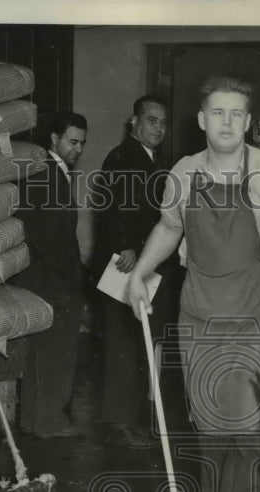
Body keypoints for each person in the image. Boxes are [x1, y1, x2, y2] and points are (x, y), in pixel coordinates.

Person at [125, 75, 260, 492]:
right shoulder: (184, 173)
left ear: (248, 122)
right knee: (210, 435)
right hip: (199, 321)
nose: (227, 123)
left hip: (258, 319)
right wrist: (139, 273)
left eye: (236, 114)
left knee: (249, 433)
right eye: (218, 113)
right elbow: (170, 227)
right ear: (201, 120)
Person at [93, 95, 180, 449]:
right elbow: (111, 207)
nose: (158, 128)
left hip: (146, 267)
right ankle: (120, 423)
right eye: (151, 121)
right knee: (124, 345)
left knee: (139, 342)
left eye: (163, 122)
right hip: (125, 265)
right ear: (135, 122)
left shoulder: (153, 160)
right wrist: (125, 245)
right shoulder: (121, 157)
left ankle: (131, 419)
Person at [11, 111, 89, 438]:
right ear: (54, 139)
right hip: (53, 277)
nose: (78, 149)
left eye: (82, 143)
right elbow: (50, 235)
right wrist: (73, 276)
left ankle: (33, 419)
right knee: (58, 351)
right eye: (73, 142)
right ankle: (50, 420)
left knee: (39, 351)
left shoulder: (44, 171)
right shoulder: (50, 174)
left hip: (38, 275)